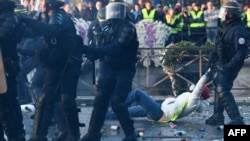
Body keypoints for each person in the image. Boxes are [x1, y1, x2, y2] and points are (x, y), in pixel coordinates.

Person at [22, 0, 83, 140]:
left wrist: (30, 22)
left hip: (68, 64)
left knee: (66, 99)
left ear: (50, 4)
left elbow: (52, 30)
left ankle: (73, 134)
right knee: (46, 99)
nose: (40, 3)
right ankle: (39, 135)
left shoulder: (58, 16)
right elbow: (34, 33)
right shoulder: (47, 17)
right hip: (54, 63)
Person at [80, 0, 139, 140]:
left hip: (124, 68)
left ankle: (130, 134)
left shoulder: (128, 26)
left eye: (118, 9)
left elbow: (117, 47)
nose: (114, 12)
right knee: (100, 98)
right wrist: (91, 49)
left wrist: (96, 51)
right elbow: (99, 43)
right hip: (108, 67)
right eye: (112, 9)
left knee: (117, 100)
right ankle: (93, 133)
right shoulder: (106, 25)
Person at [106, 69, 211, 122]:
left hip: (159, 113)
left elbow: (199, 87)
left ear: (200, 93)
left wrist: (208, 73)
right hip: (160, 110)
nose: (194, 87)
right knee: (130, 111)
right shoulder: (192, 101)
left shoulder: (194, 101)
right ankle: (106, 115)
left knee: (137, 93)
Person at [205, 1, 248, 125]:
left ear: (231, 13)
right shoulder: (225, 25)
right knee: (218, 85)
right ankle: (218, 116)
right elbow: (217, 44)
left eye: (225, 11)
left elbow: (241, 52)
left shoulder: (238, 29)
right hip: (222, 61)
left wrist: (228, 66)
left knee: (222, 88)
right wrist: (211, 59)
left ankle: (237, 119)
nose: (222, 14)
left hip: (231, 64)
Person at [0, 0, 26, 140]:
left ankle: (16, 136)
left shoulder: (9, 17)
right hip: (3, 66)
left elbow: (2, 36)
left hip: (6, 68)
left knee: (8, 106)